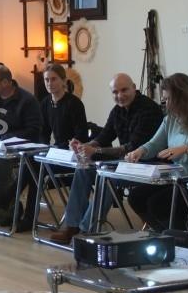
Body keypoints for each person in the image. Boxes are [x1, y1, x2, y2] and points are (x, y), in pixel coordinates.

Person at [50, 73, 164, 244]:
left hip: (148, 163)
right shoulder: (117, 110)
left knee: (106, 174)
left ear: (134, 87)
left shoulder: (149, 110)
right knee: (84, 168)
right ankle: (72, 226)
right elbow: (104, 136)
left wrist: (95, 150)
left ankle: (87, 230)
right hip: (126, 162)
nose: (120, 96)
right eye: (115, 92)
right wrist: (84, 146)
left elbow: (133, 147)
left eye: (124, 90)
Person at [121, 73, 188, 231]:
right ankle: (165, 234)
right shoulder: (171, 119)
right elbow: (155, 144)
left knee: (160, 203)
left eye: (169, 99)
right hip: (181, 177)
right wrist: (140, 151)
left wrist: (187, 149)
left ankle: (181, 240)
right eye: (164, 100)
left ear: (183, 98)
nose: (166, 104)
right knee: (136, 197)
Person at [0, 64, 43, 227]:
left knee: (2, 159)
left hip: (18, 149)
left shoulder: (27, 101)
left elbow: (33, 132)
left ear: (6, 82)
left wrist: (4, 138)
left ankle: (4, 204)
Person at [40, 63, 88, 150]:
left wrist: (66, 147)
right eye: (47, 80)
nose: (50, 83)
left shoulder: (74, 103)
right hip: (57, 148)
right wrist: (44, 148)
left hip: (72, 150)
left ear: (63, 81)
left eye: (54, 79)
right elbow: (44, 132)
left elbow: (82, 135)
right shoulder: (45, 103)